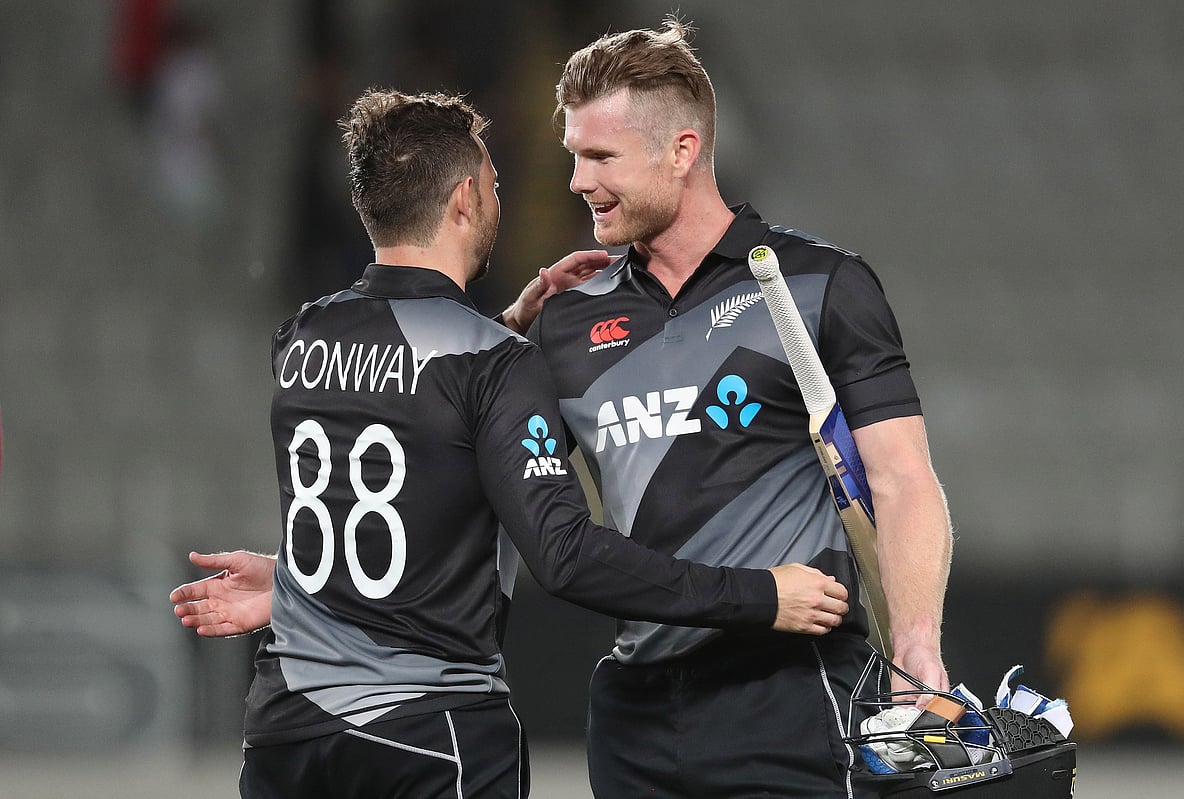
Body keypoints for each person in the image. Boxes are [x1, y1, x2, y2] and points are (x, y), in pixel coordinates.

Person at [170, 88, 853, 799]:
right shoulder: (494, 364)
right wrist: (760, 593)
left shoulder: (302, 337)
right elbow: (565, 555)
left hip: (287, 728)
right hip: (428, 735)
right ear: (466, 198)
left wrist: (299, 581)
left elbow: (409, 439)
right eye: (495, 183)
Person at [511, 19, 953, 798]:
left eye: (600, 156)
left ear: (682, 151)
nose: (577, 181)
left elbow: (902, 477)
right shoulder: (565, 319)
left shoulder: (822, 284)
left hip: (793, 698)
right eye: (574, 155)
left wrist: (917, 644)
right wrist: (509, 335)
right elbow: (483, 482)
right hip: (632, 718)